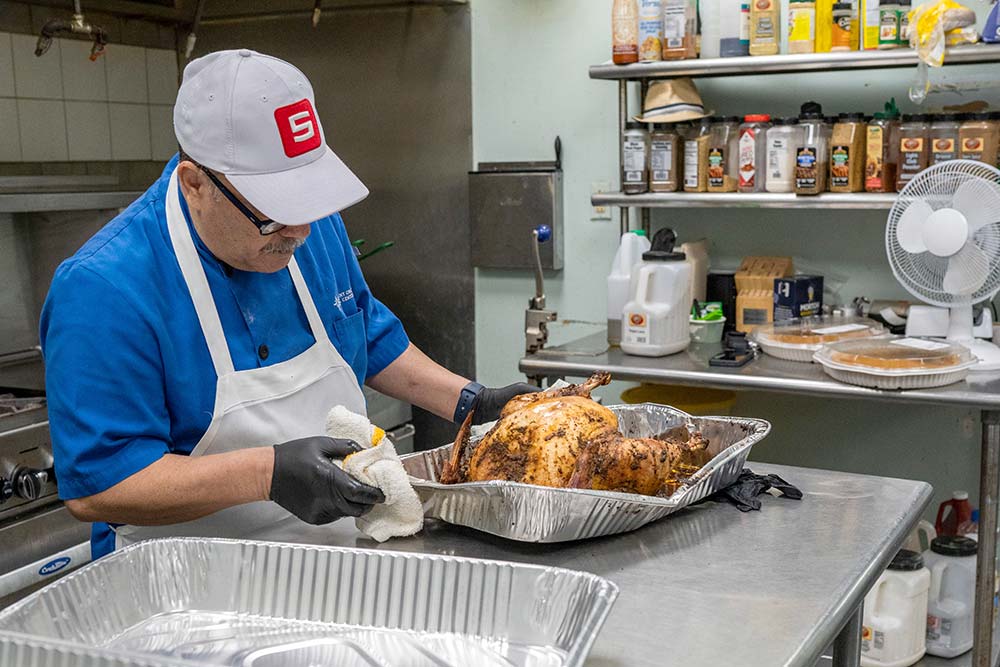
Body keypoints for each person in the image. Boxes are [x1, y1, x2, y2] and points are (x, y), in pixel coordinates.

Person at [40, 49, 534, 559]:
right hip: (182, 587)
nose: (300, 231)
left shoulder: (304, 227)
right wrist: (267, 474)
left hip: (331, 559)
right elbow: (102, 485)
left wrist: (470, 402)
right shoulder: (104, 289)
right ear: (195, 184)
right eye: (274, 214)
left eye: (308, 203)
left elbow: (363, 329)